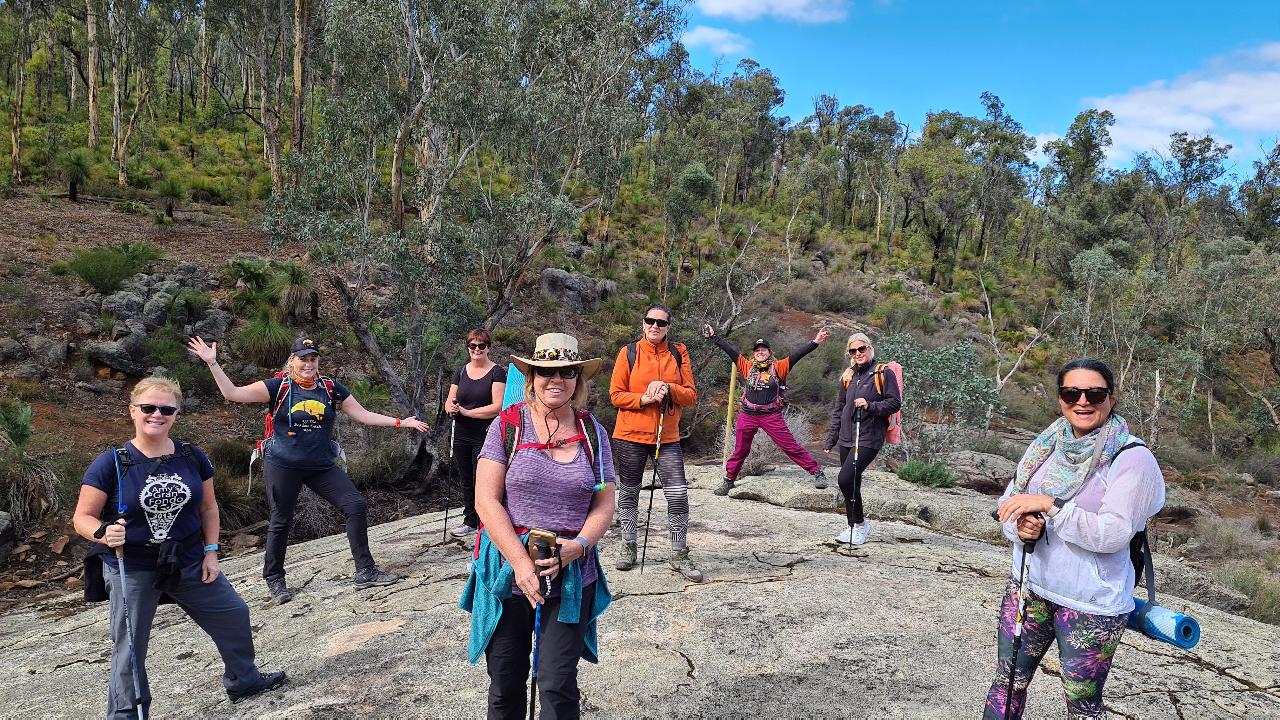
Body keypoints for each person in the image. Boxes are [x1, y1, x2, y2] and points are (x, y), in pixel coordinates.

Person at [72, 377, 287, 717]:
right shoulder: (111, 463)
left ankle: (244, 680)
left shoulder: (191, 456)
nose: (157, 414)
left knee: (234, 614)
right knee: (129, 647)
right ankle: (126, 714)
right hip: (133, 564)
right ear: (133, 411)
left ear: (176, 414)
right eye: (148, 408)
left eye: (166, 409)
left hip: (187, 558)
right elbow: (82, 516)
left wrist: (211, 552)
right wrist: (102, 532)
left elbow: (208, 508)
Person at [984, 358, 1165, 720]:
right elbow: (1009, 504)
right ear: (1060, 398)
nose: (1083, 401)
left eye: (1095, 393)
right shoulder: (1046, 445)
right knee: (1007, 684)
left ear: (1111, 399)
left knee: (1082, 706)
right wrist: (1020, 527)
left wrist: (1051, 506)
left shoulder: (1131, 457)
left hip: (1090, 605)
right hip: (1030, 587)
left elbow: (1113, 534)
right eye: (1072, 392)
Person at [187, 335, 429, 604]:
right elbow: (233, 394)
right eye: (303, 359)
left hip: (320, 466)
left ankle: (365, 570)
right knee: (281, 520)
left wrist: (400, 422)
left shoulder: (329, 388)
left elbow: (363, 415)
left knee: (355, 505)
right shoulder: (278, 386)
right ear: (292, 361)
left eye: (313, 358)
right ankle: (275, 579)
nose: (308, 364)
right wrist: (212, 363)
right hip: (283, 465)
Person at [460, 332, 615, 720]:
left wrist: (577, 546)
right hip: (506, 571)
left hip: (572, 572)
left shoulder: (593, 433)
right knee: (506, 683)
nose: (555, 380)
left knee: (556, 683)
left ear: (577, 380)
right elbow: (486, 501)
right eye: (546, 372)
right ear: (531, 378)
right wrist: (521, 563)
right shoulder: (508, 426)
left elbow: (604, 501)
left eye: (566, 372)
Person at [608, 304, 702, 582]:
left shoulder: (679, 352)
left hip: (667, 436)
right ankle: (628, 545)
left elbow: (690, 395)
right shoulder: (629, 352)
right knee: (629, 492)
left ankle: (678, 553)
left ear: (668, 327)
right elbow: (615, 395)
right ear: (643, 323)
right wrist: (644, 399)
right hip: (629, 435)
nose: (655, 326)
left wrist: (667, 387)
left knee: (678, 494)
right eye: (650, 321)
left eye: (661, 323)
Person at [703, 324, 831, 496]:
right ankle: (729, 480)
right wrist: (713, 337)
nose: (760, 352)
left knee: (790, 446)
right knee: (740, 449)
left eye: (763, 349)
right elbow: (730, 350)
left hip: (770, 415)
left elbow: (798, 355)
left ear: (769, 352)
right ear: (754, 353)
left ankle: (817, 473)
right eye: (757, 350)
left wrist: (815, 342)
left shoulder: (779, 367)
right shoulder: (747, 366)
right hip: (748, 414)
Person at [823, 332, 900, 545]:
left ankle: (860, 525)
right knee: (852, 483)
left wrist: (870, 405)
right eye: (853, 350)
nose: (858, 353)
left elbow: (894, 403)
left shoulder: (883, 373)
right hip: (848, 437)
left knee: (845, 479)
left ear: (869, 348)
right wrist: (831, 438)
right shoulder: (849, 376)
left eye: (861, 349)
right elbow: (839, 409)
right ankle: (853, 526)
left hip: (869, 437)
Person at [446, 329, 508, 538]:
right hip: (461, 432)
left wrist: (467, 412)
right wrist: (451, 408)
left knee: (483, 479)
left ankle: (489, 520)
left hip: (486, 433)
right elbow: (450, 400)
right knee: (465, 478)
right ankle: (470, 520)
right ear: (468, 348)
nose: (477, 350)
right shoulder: (461, 371)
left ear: (488, 347)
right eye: (472, 346)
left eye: (481, 346)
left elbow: (497, 406)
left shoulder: (497, 372)